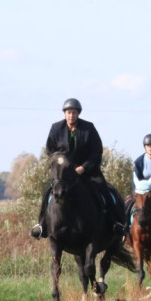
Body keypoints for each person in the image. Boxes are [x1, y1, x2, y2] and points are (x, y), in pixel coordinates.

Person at [30, 98, 124, 239]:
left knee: (104, 188)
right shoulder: (56, 128)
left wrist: (84, 167)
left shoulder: (88, 128)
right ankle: (42, 225)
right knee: (48, 191)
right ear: (64, 113)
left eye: (74, 112)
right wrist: (60, 163)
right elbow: (50, 150)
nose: (71, 115)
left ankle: (114, 222)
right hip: (64, 173)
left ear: (78, 113)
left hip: (87, 170)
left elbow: (97, 151)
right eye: (68, 112)